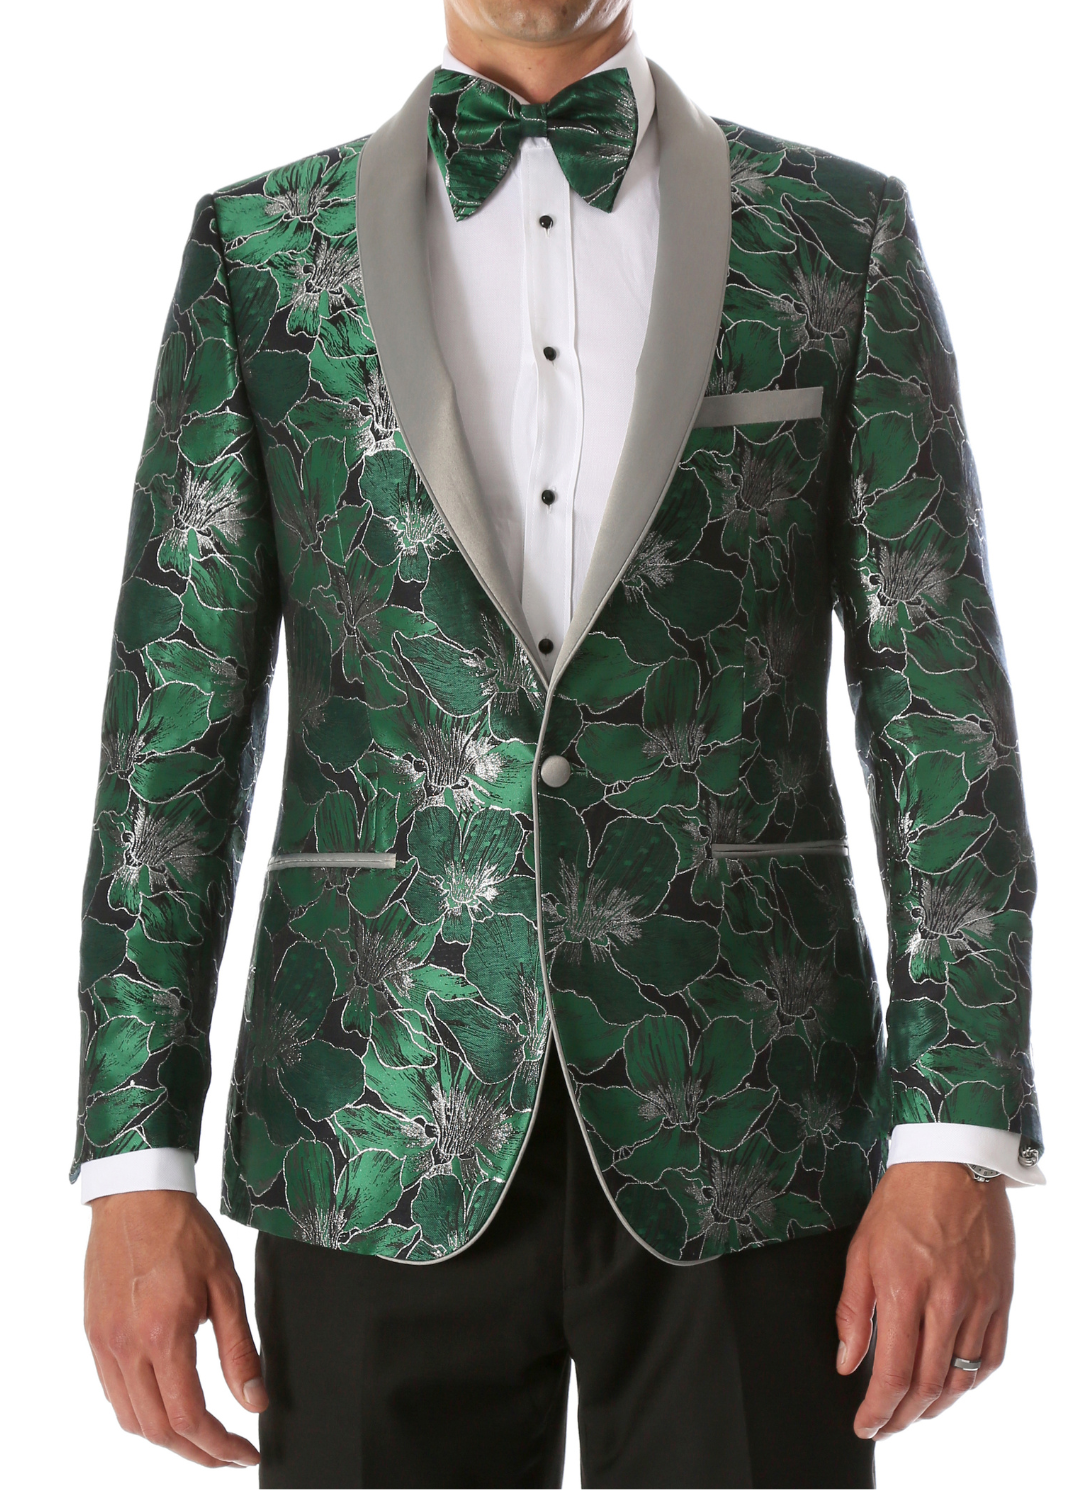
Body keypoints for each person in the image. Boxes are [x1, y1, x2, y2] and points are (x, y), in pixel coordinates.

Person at [74, 1, 1044, 1485]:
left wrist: (957, 1132)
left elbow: (942, 709)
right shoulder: (258, 253)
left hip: (750, 1115)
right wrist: (135, 1160)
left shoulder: (838, 233)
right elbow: (171, 731)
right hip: (369, 1110)